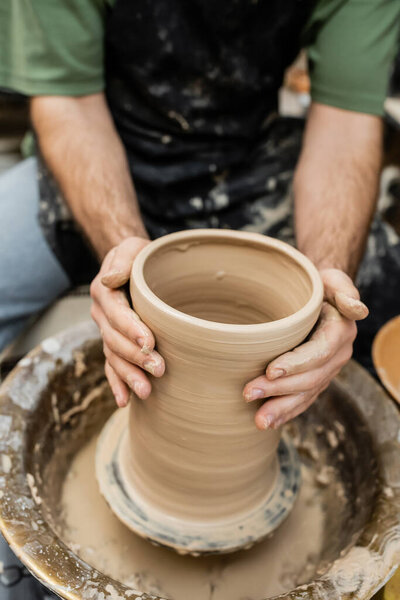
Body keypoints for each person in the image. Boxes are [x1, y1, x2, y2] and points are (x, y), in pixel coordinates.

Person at [0, 0, 399, 431]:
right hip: (97, 150)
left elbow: (345, 121)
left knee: (371, 320)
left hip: (247, 160)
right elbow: (68, 102)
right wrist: (122, 249)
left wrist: (327, 279)